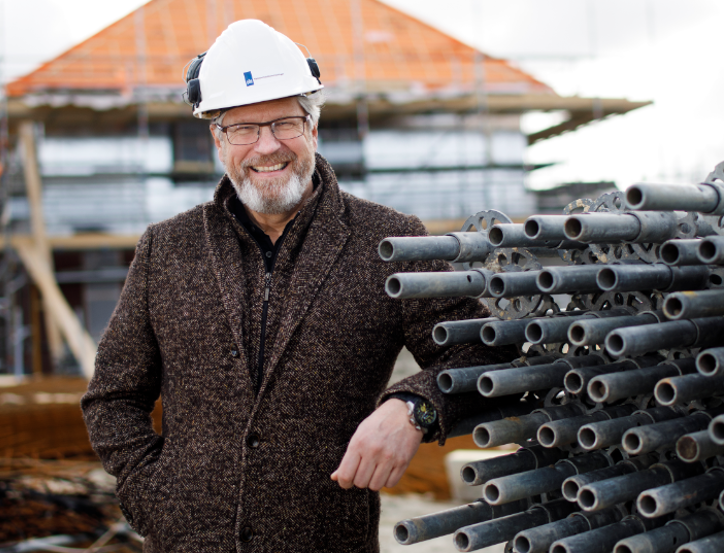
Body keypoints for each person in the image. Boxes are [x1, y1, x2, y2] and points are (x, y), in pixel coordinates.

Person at [82, 19, 514, 553]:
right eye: (242, 128)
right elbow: (111, 398)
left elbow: (485, 355)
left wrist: (414, 408)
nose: (266, 147)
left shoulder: (388, 241)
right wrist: (152, 495)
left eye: (284, 122)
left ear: (312, 127)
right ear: (218, 140)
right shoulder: (166, 250)